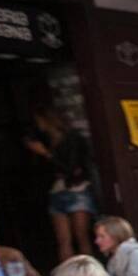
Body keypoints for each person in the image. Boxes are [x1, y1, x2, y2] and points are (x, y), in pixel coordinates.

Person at [24, 107, 98, 262]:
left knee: (82, 237)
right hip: (57, 191)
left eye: (39, 121)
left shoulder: (73, 139)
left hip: (77, 189)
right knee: (63, 240)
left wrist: (46, 154)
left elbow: (71, 169)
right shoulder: (46, 140)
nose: (38, 125)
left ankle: (90, 273)